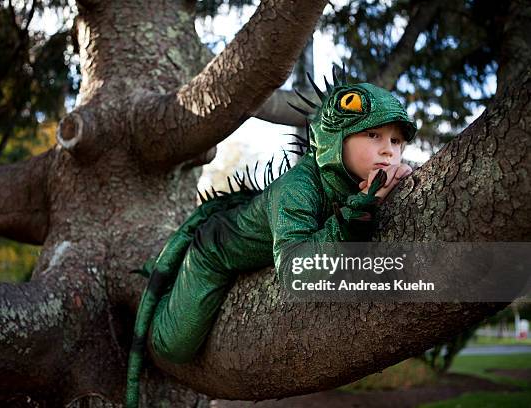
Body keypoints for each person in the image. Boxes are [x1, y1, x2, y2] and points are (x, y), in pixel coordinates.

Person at [126, 69, 417, 407]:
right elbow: (297, 272)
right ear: (337, 137)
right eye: (373, 135)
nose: (388, 151)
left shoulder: (359, 182)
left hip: (254, 240)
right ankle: (159, 287)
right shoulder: (298, 188)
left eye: (396, 141)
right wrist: (352, 219)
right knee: (172, 345)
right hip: (214, 251)